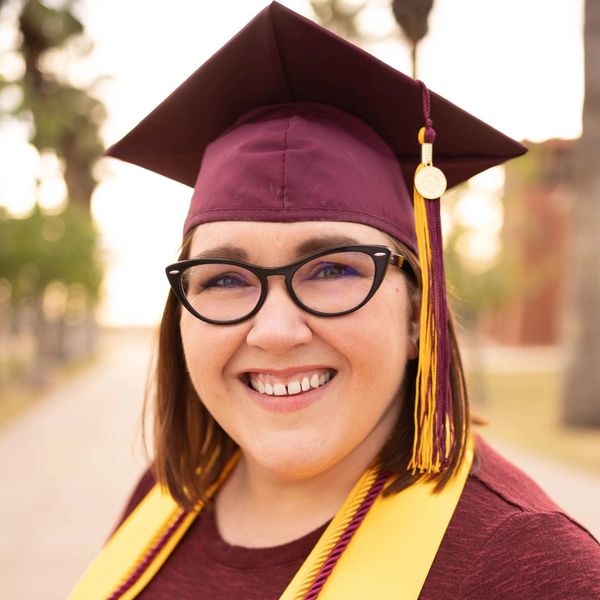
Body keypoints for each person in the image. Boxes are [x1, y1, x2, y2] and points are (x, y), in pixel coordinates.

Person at [69, 3, 600, 599]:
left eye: (332, 269)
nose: (274, 330)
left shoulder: (531, 570)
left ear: (415, 315)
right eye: (224, 279)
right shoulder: (170, 495)